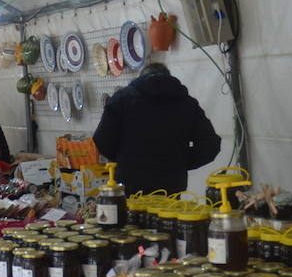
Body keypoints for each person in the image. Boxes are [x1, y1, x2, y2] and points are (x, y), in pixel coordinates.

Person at [93, 62, 220, 194]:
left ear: (140, 78)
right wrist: (181, 162)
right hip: (171, 185)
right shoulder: (187, 103)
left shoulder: (122, 99)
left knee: (132, 215)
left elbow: (101, 139)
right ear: (169, 78)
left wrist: (124, 159)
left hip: (130, 183)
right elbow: (211, 145)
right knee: (170, 214)